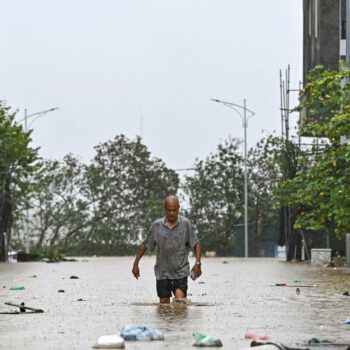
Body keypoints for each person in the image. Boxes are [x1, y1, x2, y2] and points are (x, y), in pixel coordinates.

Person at [132, 195, 202, 304]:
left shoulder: (186, 224)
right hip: (162, 273)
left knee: (180, 303)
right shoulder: (156, 226)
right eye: (169, 210)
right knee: (164, 307)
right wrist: (136, 264)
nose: (172, 213)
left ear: (179, 208)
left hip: (181, 271)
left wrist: (198, 263)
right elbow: (145, 245)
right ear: (165, 209)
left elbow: (196, 244)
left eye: (174, 210)